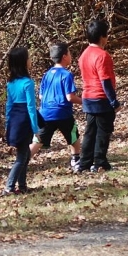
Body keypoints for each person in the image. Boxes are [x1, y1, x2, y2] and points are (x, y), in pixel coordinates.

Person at [78, 20, 121, 173]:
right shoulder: (103, 56)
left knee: (90, 132)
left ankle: (84, 163)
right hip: (101, 99)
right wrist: (113, 101)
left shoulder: (83, 55)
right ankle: (100, 162)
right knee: (103, 132)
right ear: (103, 37)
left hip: (88, 98)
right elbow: (106, 82)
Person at [31, 42, 82, 170]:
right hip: (63, 113)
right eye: (69, 53)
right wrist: (86, 102)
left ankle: (22, 161)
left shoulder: (47, 75)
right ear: (65, 56)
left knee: (38, 141)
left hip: (45, 114)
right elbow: (70, 97)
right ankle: (76, 161)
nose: (71, 56)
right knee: (74, 138)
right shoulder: (66, 75)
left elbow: (41, 96)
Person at [2, 47, 40, 195]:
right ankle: (9, 186)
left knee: (23, 154)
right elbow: (31, 107)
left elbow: (8, 105)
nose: (30, 60)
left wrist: (7, 124)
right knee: (21, 157)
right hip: (24, 120)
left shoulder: (11, 83)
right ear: (23, 63)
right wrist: (35, 128)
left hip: (14, 120)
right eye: (28, 58)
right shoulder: (28, 83)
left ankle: (22, 185)